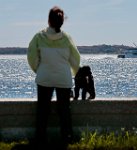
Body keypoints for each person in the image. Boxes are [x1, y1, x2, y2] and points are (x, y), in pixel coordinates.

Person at [27, 6, 80, 149]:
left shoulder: (39, 37)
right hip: (63, 78)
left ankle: (40, 138)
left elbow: (31, 57)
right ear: (61, 22)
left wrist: (39, 69)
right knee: (64, 110)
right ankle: (67, 137)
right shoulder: (67, 38)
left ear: (49, 20)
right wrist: (73, 73)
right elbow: (76, 59)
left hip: (44, 76)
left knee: (42, 110)